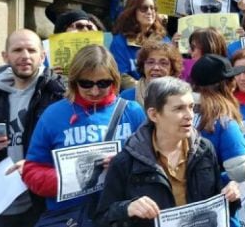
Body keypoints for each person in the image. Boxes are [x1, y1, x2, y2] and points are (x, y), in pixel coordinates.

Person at [22, 45, 146, 224]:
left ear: (115, 80)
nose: (95, 91)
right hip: (70, 216)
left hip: (119, 214)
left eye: (103, 83)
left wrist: (122, 165)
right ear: (74, 80)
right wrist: (69, 179)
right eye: (86, 83)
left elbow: (152, 164)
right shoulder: (53, 114)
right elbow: (31, 171)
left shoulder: (132, 112)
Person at [94, 77, 235, 227]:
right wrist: (127, 208)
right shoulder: (126, 161)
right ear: (154, 115)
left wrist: (230, 197)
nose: (190, 115)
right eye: (179, 109)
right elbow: (102, 218)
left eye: (191, 107)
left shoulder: (205, 149)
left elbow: (216, 208)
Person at [0, 29, 66, 227]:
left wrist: (36, 166)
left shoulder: (59, 94)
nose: (25, 56)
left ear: (43, 56)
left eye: (31, 50)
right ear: (5, 56)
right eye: (17, 50)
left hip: (43, 200)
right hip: (3, 201)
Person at [190, 54, 245, 185]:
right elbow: (241, 172)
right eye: (232, 79)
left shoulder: (176, 112)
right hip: (211, 199)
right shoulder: (223, 122)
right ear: (228, 85)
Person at [110, 0, 170, 89]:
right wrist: (145, 91)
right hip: (133, 96)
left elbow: (172, 72)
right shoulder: (119, 42)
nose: (149, 12)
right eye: (144, 8)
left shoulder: (164, 40)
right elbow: (121, 75)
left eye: (152, 8)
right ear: (133, 12)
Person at [120, 40, 183, 107]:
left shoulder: (182, 97)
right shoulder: (126, 97)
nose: (156, 67)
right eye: (150, 62)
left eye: (163, 63)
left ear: (172, 69)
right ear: (143, 66)